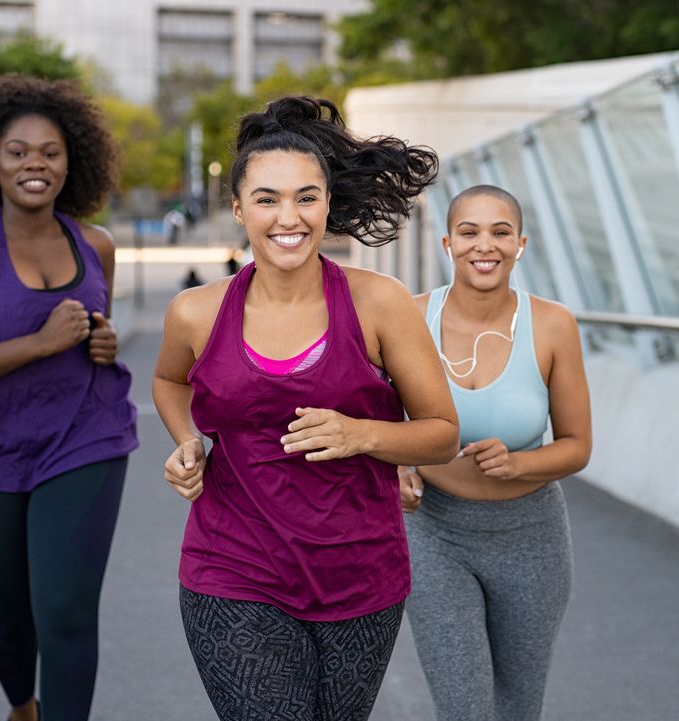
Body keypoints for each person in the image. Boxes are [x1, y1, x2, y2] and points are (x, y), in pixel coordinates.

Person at [152, 95, 459, 721]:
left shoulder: (380, 303)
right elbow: (169, 380)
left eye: (306, 197)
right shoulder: (196, 312)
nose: (287, 217)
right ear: (237, 208)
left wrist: (360, 435)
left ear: (327, 205)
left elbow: (442, 434)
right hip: (233, 567)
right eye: (266, 199)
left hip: (360, 574)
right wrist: (189, 441)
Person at [0, 74, 137, 721]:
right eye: (18, 151)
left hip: (86, 440)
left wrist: (103, 341)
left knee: (66, 610)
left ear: (73, 163)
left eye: (50, 151)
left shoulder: (95, 244)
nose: (34, 163)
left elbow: (95, 331)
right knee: (8, 616)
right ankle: (22, 705)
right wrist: (39, 343)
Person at [399, 184, 593, 721]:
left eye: (500, 232)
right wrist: (398, 468)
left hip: (532, 538)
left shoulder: (553, 325)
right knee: (464, 707)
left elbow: (578, 447)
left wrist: (519, 463)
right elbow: (380, 417)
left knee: (516, 707)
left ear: (521, 244)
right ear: (447, 243)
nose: (485, 245)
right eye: (469, 232)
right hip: (436, 534)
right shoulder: (410, 318)